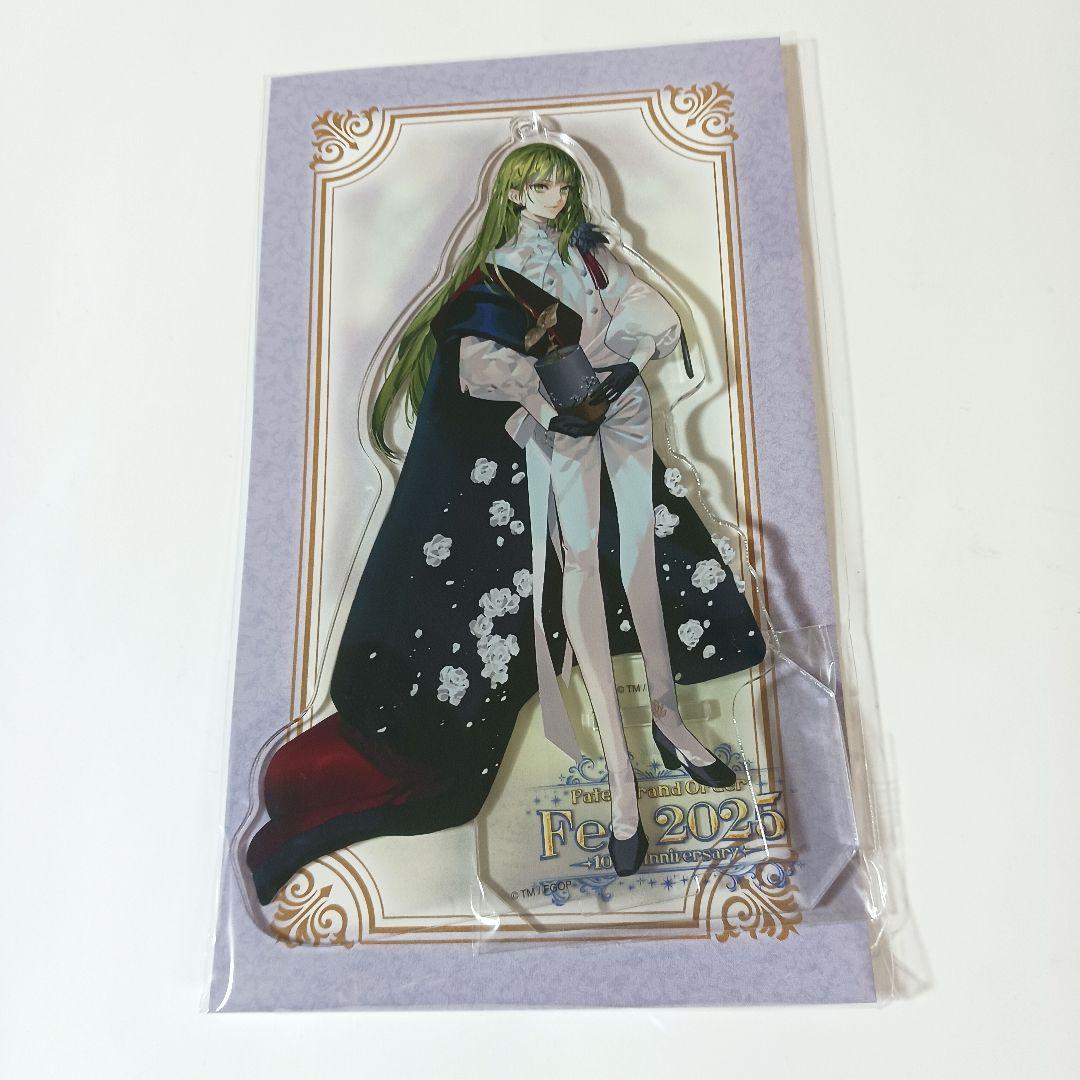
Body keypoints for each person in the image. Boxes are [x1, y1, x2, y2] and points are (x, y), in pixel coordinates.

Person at [244, 135, 765, 905]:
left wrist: (620, 351)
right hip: (565, 431)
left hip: (623, 417)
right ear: (514, 194)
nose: (558, 197)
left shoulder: (590, 255)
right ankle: (623, 785)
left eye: (564, 185)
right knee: (583, 583)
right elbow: (476, 364)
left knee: (643, 568)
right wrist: (545, 389)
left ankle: (668, 717)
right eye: (543, 187)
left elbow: (650, 311)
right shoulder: (495, 274)